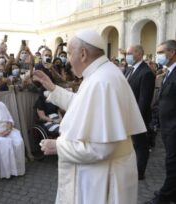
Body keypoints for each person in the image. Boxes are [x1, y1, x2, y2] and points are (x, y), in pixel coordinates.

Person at [33, 29, 146, 204]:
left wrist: (58, 146)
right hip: (101, 174)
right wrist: (53, 89)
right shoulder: (101, 73)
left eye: (70, 54)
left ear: (83, 54)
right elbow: (83, 106)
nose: (68, 60)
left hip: (102, 179)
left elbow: (101, 148)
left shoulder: (101, 81)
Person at [145, 40, 176, 204]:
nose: (158, 56)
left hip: (173, 127)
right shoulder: (168, 72)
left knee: (172, 162)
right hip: (167, 127)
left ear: (171, 52)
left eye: (161, 52)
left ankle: (164, 196)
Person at [125, 45, 155, 180]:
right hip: (127, 114)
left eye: (129, 53)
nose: (127, 56)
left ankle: (139, 173)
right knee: (132, 144)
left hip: (138, 116)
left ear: (138, 54)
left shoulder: (146, 72)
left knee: (141, 145)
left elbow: (144, 100)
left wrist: (135, 118)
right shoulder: (129, 70)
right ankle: (130, 168)